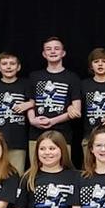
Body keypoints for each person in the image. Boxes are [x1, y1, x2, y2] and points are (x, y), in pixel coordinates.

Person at [27, 37, 82, 165]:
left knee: (62, 170)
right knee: (36, 171)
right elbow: (31, 102)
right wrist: (32, 120)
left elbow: (76, 110)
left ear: (63, 53)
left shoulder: (72, 77)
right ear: (44, 54)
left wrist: (52, 121)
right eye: (48, 49)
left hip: (62, 133)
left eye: (57, 49)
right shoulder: (34, 76)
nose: (52, 52)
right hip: (36, 133)